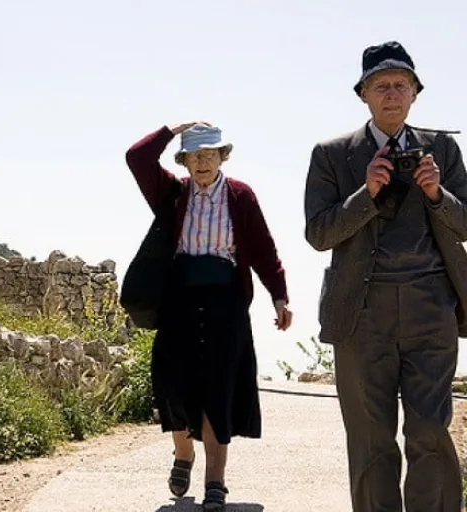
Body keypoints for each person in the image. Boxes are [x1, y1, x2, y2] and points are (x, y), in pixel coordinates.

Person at [304, 40, 467, 512]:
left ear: (415, 93)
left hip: (431, 309)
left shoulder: (442, 149)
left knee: (430, 432)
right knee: (371, 440)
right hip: (361, 315)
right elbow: (318, 234)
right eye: (381, 86)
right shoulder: (332, 155)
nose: (391, 94)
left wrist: (438, 194)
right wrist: (366, 193)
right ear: (364, 95)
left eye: (400, 85)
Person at [125, 122, 292, 510]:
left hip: (226, 300)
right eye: (194, 156)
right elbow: (137, 158)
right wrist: (173, 131)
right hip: (179, 299)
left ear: (222, 157)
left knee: (219, 387)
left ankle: (215, 482)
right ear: (183, 161)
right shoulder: (173, 193)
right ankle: (183, 453)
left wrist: (279, 296)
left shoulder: (240, 196)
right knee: (175, 382)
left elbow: (263, 248)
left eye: (210, 154)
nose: (202, 163)